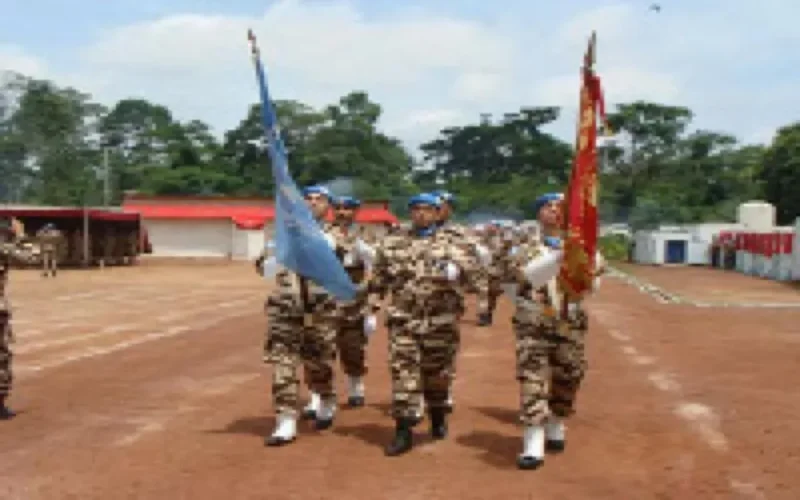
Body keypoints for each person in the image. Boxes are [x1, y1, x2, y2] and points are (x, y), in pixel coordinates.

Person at [260, 185, 373, 446]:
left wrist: (333, 249)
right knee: (282, 363)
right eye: (307, 198)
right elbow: (262, 265)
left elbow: (353, 266)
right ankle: (285, 419)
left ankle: (326, 397)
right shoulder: (284, 232)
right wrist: (274, 258)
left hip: (322, 311)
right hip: (286, 308)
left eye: (318, 199)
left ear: (328, 207)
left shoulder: (339, 236)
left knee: (318, 363)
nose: (312, 203)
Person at [372, 193, 479, 456]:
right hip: (404, 320)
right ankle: (403, 430)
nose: (421, 214)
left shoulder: (457, 241)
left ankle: (438, 414)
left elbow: (477, 278)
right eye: (416, 209)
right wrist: (370, 310)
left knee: (437, 377)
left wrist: (459, 272)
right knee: (403, 375)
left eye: (427, 209)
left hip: (440, 322)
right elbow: (379, 279)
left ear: (437, 212)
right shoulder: (393, 241)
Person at [509, 192, 605, 470]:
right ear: (539, 213)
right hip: (534, 324)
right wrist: (561, 255)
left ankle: (556, 421)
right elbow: (527, 276)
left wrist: (584, 259)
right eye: (547, 207)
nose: (554, 211)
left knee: (570, 376)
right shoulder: (523, 245)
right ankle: (533, 441)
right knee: (532, 380)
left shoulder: (586, 246)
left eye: (559, 207)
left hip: (570, 322)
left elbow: (593, 286)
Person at [325, 195, 378, 408]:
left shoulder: (366, 233)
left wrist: (372, 308)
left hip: (354, 300)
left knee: (352, 348)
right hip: (325, 299)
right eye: (337, 208)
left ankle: (356, 386)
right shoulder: (323, 232)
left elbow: (376, 268)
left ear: (356, 211)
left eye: (347, 208)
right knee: (320, 350)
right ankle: (319, 395)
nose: (342, 212)